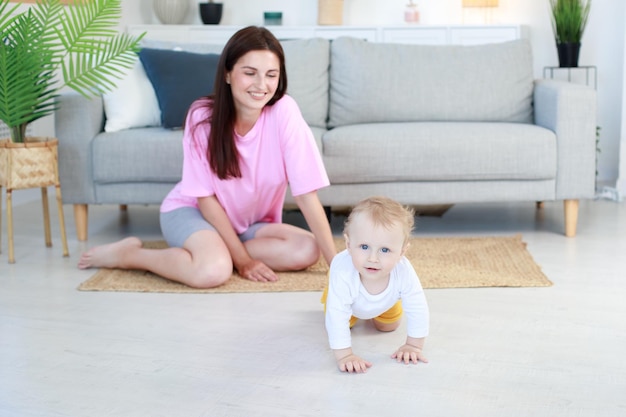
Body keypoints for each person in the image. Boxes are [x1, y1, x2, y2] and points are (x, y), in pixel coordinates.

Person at [78, 26, 337, 289]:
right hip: (192, 212)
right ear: (227, 73)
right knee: (212, 271)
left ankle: (220, 248)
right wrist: (244, 260)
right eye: (249, 73)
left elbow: (306, 193)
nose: (262, 85)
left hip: (250, 223)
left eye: (271, 75)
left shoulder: (285, 112)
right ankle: (129, 255)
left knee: (306, 249)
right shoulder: (202, 117)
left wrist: (337, 267)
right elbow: (204, 198)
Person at [322, 196, 429, 373]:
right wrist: (345, 355)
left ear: (402, 252)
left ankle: (378, 309)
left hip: (386, 301)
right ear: (348, 244)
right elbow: (336, 316)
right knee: (342, 324)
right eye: (364, 247)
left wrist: (413, 346)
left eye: (385, 250)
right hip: (349, 300)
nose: (373, 258)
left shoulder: (403, 270)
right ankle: (333, 298)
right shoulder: (343, 273)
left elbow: (418, 307)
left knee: (388, 326)